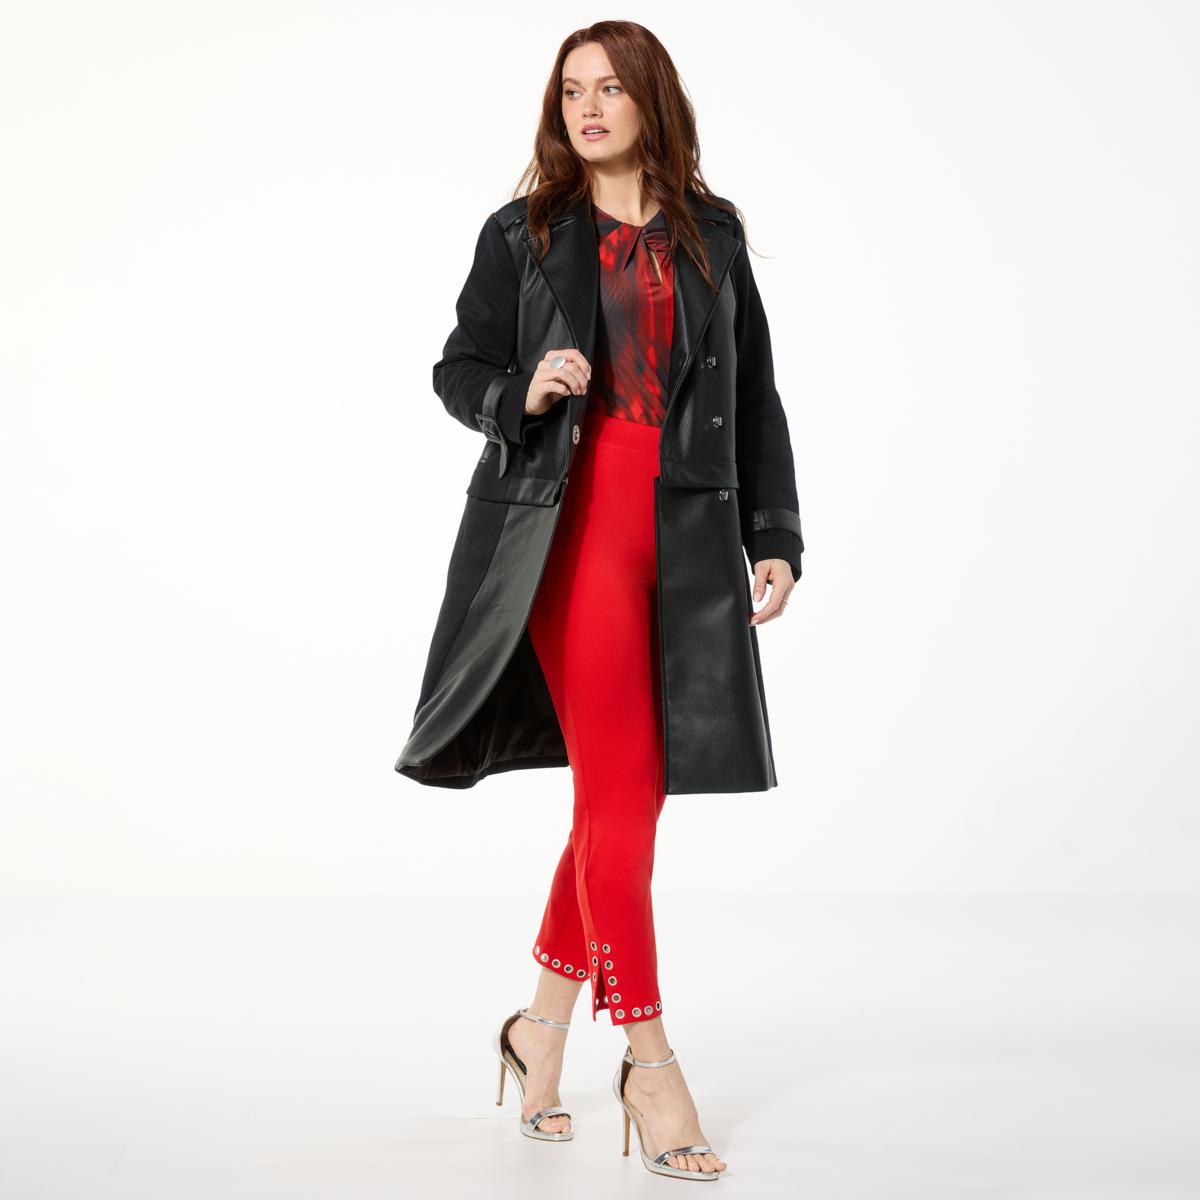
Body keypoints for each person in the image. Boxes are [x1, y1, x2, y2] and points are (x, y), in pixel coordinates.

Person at [420, 21, 804, 1183]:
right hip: (567, 536)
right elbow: (456, 369)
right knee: (624, 800)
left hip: (685, 543)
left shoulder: (713, 236)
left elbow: (757, 393)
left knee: (619, 803)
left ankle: (538, 1028)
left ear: (649, 102)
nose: (588, 107)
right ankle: (649, 1058)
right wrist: (522, 389)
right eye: (572, 91)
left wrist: (774, 533)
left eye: (611, 88)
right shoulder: (525, 235)